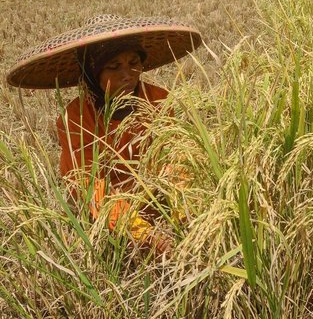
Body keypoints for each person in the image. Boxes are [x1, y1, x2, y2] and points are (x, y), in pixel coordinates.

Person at [6, 14, 202, 254]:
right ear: (92, 72)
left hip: (160, 199)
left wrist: (184, 216)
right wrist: (145, 234)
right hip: (114, 215)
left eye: (133, 62)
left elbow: (179, 159)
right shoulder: (77, 119)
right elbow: (90, 186)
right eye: (114, 66)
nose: (128, 74)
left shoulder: (159, 100)